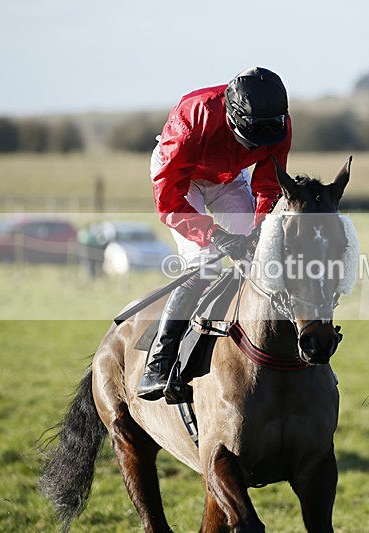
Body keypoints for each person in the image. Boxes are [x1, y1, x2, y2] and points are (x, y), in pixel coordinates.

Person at [137, 67, 292, 402]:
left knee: (257, 257)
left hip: (229, 178)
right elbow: (170, 202)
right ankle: (159, 364)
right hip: (181, 178)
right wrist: (214, 235)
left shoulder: (281, 125)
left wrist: (259, 230)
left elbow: (267, 184)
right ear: (231, 115)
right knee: (205, 263)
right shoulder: (195, 115)